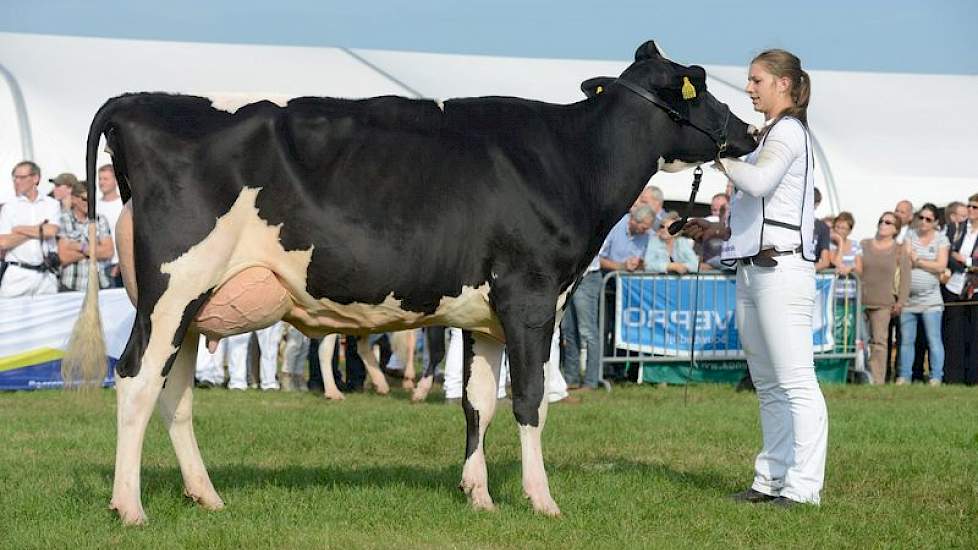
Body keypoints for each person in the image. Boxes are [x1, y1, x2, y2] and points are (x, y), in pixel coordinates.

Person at [683, 48, 826, 507]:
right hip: (754, 267)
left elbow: (760, 184)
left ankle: (803, 489)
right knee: (768, 382)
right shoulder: (769, 135)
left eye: (757, 80)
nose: (749, 88)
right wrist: (719, 229)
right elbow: (763, 205)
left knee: (795, 380)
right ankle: (770, 480)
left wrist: (717, 154)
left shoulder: (787, 131)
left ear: (784, 84)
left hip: (782, 268)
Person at [898, 203, 948, 385]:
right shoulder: (910, 235)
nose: (924, 222)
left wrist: (918, 260)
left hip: (931, 300)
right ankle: (904, 375)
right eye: (921, 218)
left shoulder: (941, 239)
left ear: (935, 222)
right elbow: (905, 260)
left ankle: (936, 376)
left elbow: (941, 265)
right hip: (909, 299)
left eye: (928, 219)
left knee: (934, 340)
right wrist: (928, 263)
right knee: (906, 340)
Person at [857, 211, 910, 384]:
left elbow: (905, 277)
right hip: (861, 300)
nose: (883, 225)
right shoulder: (864, 244)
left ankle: (877, 379)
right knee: (859, 341)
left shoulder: (899, 249)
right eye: (881, 221)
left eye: (888, 223)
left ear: (896, 229)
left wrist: (901, 301)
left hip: (884, 302)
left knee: (879, 342)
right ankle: (859, 375)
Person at [0, 161, 61, 297]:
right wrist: (40, 230)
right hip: (17, 274)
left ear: (35, 178)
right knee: (9, 316)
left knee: (48, 317)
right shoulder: (9, 207)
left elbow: (51, 231)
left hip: (46, 277)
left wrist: (18, 229)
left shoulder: (52, 204)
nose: (17, 181)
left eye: (21, 177)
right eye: (15, 178)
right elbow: (3, 242)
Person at [941, 194, 978, 385]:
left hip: (974, 288)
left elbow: (963, 257)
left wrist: (968, 261)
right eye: (969, 206)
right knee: (954, 333)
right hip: (954, 286)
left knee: (974, 334)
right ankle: (954, 377)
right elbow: (947, 251)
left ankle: (973, 377)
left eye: (975, 207)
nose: (970, 211)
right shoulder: (957, 229)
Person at [56, 180, 114, 291]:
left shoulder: (100, 219)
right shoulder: (63, 220)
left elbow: (108, 252)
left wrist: (80, 247)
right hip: (71, 286)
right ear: (73, 199)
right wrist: (95, 250)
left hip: (100, 285)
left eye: (91, 199)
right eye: (84, 199)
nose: (88, 203)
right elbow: (63, 257)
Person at [560, 253, 602, 391]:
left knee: (588, 332)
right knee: (569, 331)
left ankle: (591, 381)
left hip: (587, 276)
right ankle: (571, 378)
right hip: (569, 277)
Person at [829, 212, 861, 352]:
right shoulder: (829, 245)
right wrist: (840, 243)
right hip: (833, 295)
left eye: (844, 228)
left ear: (850, 230)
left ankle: (850, 361)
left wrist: (851, 268)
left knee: (850, 329)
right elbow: (835, 262)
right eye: (837, 227)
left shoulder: (855, 245)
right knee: (834, 328)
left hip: (851, 295)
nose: (840, 231)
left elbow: (860, 268)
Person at [96, 164, 125, 287]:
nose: (101, 182)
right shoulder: (95, 206)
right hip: (100, 266)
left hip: (120, 265)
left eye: (105, 179)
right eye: (100, 179)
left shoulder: (124, 205)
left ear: (116, 181)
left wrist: (121, 262)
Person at [812, 188, 832, 270]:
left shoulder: (822, 227)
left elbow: (825, 262)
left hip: (806, 274)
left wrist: (805, 271)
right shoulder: (787, 221)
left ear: (817, 204)